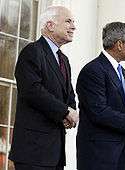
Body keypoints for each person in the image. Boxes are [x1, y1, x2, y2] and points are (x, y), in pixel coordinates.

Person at [76, 22, 125, 170]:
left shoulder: (122, 72)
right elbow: (98, 111)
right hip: (99, 154)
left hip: (121, 151)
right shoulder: (93, 70)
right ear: (119, 44)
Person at [9, 6, 78, 170]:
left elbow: (69, 94)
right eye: (68, 21)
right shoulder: (32, 52)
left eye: (73, 22)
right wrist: (65, 112)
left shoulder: (64, 59)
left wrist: (71, 111)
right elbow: (32, 91)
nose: (74, 26)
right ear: (50, 25)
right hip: (33, 151)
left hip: (55, 152)